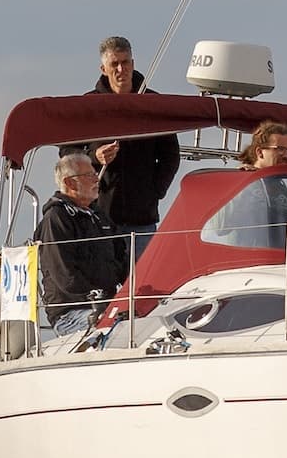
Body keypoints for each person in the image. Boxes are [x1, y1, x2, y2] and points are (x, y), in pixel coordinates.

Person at [72, 36, 181, 265]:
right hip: (99, 216)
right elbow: (67, 152)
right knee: (102, 280)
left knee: (143, 282)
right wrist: (94, 157)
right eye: (115, 64)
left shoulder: (154, 103)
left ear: (133, 63)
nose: (121, 69)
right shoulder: (88, 106)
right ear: (103, 69)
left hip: (142, 219)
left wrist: (155, 191)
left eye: (126, 62)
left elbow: (171, 155)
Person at [33, 152, 129, 336]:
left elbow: (121, 259)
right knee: (119, 331)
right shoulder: (56, 219)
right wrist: (96, 299)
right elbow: (63, 273)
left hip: (108, 305)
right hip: (71, 313)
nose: (97, 179)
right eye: (89, 175)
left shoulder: (99, 216)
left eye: (95, 174)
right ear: (70, 183)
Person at [226, 120, 287, 248]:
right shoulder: (237, 186)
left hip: (281, 260)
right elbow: (220, 228)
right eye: (280, 149)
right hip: (246, 258)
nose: (286, 155)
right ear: (260, 152)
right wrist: (241, 182)